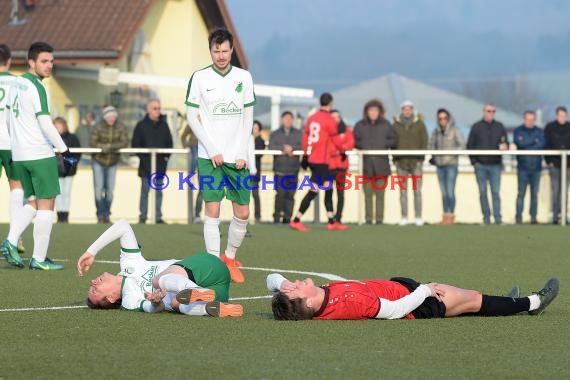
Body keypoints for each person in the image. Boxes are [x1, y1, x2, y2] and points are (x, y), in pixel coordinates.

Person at [185, 28, 256, 283]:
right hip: (208, 156)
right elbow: (192, 117)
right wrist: (212, 148)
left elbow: (248, 118)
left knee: (243, 212)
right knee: (212, 209)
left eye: (225, 50)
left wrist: (240, 151)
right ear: (211, 51)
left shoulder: (244, 78)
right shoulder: (200, 78)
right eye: (217, 51)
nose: (221, 55)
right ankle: (214, 264)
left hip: (236, 157)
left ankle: (229, 256)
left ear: (232, 49)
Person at [0, 42, 77, 270]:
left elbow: (7, 118)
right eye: (44, 61)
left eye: (52, 61)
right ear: (32, 62)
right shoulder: (38, 86)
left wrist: (17, 145)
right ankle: (39, 259)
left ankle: (11, 241)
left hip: (20, 153)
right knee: (47, 203)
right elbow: (45, 122)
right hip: (38, 153)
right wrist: (64, 149)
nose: (49, 65)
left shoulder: (17, 83)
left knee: (33, 201)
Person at [77, 220, 243, 317]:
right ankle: (213, 308)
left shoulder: (129, 263)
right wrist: (155, 302)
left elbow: (122, 225)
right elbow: (151, 308)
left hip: (207, 267)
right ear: (112, 298)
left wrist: (91, 251)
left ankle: (195, 290)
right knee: (175, 302)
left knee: (159, 282)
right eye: (94, 290)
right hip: (217, 292)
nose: (92, 282)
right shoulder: (129, 300)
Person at [267, 273, 559, 321]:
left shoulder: (313, 299)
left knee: (472, 300)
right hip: (416, 304)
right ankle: (532, 303)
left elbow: (272, 279)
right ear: (307, 302)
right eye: (294, 287)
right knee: (472, 298)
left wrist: (283, 289)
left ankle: (502, 304)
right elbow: (393, 311)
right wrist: (424, 291)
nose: (291, 282)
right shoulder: (349, 303)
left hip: (400, 287)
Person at [289, 93, 339, 232]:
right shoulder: (329, 119)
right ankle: (296, 219)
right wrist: (344, 149)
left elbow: (306, 138)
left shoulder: (312, 118)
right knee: (314, 190)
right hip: (321, 161)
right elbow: (335, 138)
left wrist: (305, 156)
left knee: (328, 187)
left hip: (314, 159)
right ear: (331, 103)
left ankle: (331, 220)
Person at [353, 99, 398, 225]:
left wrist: (382, 144)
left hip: (381, 166)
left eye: (375, 111)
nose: (373, 113)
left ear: (380, 112)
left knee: (380, 195)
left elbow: (394, 141)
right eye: (370, 111)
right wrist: (364, 145)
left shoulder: (386, 125)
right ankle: (368, 219)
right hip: (365, 165)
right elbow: (354, 141)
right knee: (367, 194)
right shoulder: (360, 125)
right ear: (366, 112)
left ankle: (379, 219)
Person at [0, 44, 26, 256]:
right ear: (9, 61)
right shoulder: (18, 82)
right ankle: (14, 237)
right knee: (17, 189)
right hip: (10, 143)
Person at [131, 99, 173, 224]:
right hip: (145, 166)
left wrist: (165, 160)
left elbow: (169, 144)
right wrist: (144, 160)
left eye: (159, 108)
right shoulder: (141, 125)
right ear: (148, 110)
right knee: (145, 192)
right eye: (155, 108)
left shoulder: (164, 125)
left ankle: (158, 217)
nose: (158, 111)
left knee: (158, 192)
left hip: (160, 166)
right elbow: (135, 145)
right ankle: (142, 217)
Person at [467, 104, 508, 225]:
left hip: (496, 164)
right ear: (484, 112)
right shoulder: (476, 127)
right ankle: (486, 219)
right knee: (483, 192)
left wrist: (505, 147)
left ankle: (498, 219)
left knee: (495, 192)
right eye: (489, 111)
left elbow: (505, 142)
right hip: (480, 165)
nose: (491, 113)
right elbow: (470, 145)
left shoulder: (499, 126)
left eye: (493, 111)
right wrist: (474, 162)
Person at [90, 105, 129, 224]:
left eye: (113, 116)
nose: (111, 118)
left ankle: (106, 214)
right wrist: (108, 148)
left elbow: (124, 142)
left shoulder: (121, 127)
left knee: (110, 191)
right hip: (98, 161)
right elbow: (92, 142)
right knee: (98, 189)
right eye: (109, 116)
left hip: (113, 162)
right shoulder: (97, 126)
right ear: (105, 117)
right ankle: (100, 215)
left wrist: (107, 148)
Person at [392, 100, 428, 226]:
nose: (407, 111)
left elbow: (424, 142)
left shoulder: (420, 124)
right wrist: (395, 159)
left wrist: (420, 159)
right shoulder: (395, 125)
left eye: (409, 109)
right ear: (402, 110)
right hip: (401, 163)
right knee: (403, 192)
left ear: (412, 110)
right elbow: (392, 143)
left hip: (416, 163)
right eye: (405, 109)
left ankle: (418, 217)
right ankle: (404, 217)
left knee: (417, 191)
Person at [428, 108, 465, 225]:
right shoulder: (435, 132)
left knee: (450, 191)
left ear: (448, 119)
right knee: (443, 193)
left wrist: (451, 154)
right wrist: (434, 157)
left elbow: (462, 145)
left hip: (451, 165)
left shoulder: (455, 130)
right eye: (440, 119)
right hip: (440, 166)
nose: (442, 120)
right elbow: (431, 146)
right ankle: (445, 215)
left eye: (444, 118)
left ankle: (451, 215)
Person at [268, 111, 302, 224]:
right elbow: (271, 146)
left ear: (293, 120)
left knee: (290, 195)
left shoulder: (298, 133)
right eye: (286, 118)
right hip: (279, 170)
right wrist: (283, 148)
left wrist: (292, 148)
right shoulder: (275, 134)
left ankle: (287, 218)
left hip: (293, 169)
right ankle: (277, 217)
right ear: (282, 120)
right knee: (280, 194)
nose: (288, 121)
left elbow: (302, 145)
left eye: (290, 119)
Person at [513, 111, 545, 224]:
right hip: (523, 167)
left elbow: (541, 144)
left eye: (532, 119)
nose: (530, 122)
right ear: (524, 119)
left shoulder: (539, 131)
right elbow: (520, 143)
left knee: (534, 195)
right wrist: (533, 142)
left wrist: (527, 144)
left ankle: (533, 218)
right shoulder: (518, 131)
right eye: (528, 119)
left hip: (536, 167)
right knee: (521, 194)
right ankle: (518, 218)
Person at [325, 109, 354, 230]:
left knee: (341, 194)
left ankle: (338, 219)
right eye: (333, 117)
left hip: (342, 166)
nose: (335, 119)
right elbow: (326, 145)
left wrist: (341, 149)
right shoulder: (326, 131)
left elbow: (351, 142)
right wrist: (335, 151)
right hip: (328, 166)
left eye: (337, 117)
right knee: (328, 193)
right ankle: (330, 219)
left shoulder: (346, 129)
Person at [544, 106, 570, 225]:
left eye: (564, 115)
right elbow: (546, 144)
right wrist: (549, 160)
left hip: (568, 165)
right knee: (555, 191)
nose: (562, 118)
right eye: (560, 115)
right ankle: (555, 217)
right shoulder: (550, 127)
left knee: (565, 192)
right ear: (556, 116)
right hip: (554, 164)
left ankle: (564, 217)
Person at [54, 117, 81, 223]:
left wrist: (72, 165)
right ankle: (59, 215)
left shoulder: (72, 138)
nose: (57, 128)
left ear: (64, 125)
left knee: (67, 193)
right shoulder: (51, 138)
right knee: (59, 193)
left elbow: (77, 153)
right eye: (55, 126)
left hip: (70, 171)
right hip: (57, 171)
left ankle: (65, 215)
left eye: (58, 125)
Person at [181, 122, 203, 222]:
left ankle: (198, 214)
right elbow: (183, 136)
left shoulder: (208, 120)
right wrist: (186, 146)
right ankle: (191, 175)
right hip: (194, 148)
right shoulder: (191, 122)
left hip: (205, 151)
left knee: (203, 188)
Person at [251, 120, 266, 222]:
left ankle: (258, 216)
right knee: (243, 195)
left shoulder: (260, 141)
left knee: (255, 194)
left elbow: (260, 154)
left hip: (255, 172)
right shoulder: (245, 139)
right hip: (244, 171)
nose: (254, 130)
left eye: (256, 128)